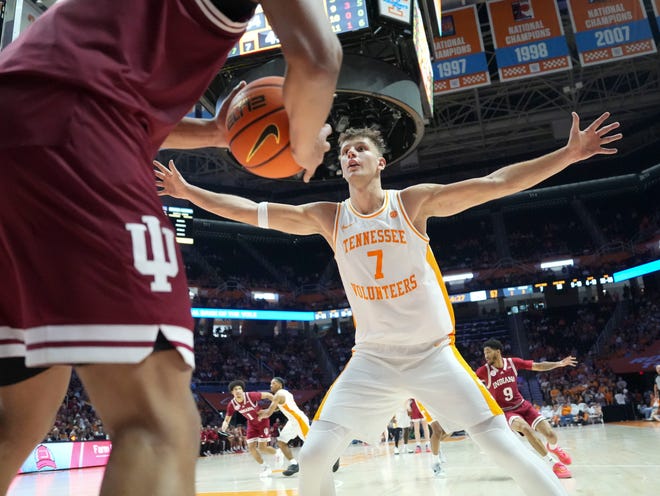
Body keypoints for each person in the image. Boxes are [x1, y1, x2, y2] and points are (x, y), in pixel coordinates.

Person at [156, 110, 621, 496]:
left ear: (381, 163)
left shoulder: (411, 205)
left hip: (433, 354)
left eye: (360, 149)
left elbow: (496, 182)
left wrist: (569, 153)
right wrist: (189, 193)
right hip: (373, 360)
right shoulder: (329, 217)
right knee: (315, 455)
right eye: (344, 152)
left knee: (501, 444)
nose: (350, 154)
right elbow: (250, 211)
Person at [0, 0, 342, 494]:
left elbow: (102, 79)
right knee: (159, 426)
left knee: (17, 417)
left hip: (20, 116)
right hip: (79, 131)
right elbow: (317, 58)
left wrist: (215, 134)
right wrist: (306, 142)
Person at [476, 338, 576, 479]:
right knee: (526, 429)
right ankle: (554, 464)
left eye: (488, 352)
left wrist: (559, 364)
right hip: (507, 411)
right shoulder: (483, 371)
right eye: (484, 353)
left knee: (551, 435)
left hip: (523, 405)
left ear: (497, 352)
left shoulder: (513, 362)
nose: (485, 356)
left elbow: (538, 366)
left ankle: (553, 447)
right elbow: (468, 381)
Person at [221, 380, 278, 478]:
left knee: (262, 448)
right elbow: (227, 418)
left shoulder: (250, 395)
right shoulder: (232, 404)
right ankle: (265, 467)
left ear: (242, 390)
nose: (238, 391)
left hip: (262, 421)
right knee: (251, 448)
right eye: (235, 389)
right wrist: (224, 425)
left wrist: (277, 403)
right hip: (251, 424)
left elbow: (268, 395)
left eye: (240, 388)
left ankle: (278, 453)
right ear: (232, 392)